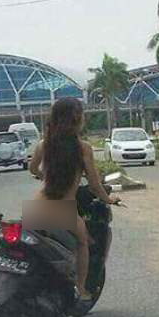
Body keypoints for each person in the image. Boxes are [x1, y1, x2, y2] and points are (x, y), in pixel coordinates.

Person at [30, 97, 119, 304]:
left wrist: (44, 175)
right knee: (83, 242)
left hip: (37, 207)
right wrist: (109, 199)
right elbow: (96, 186)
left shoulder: (44, 145)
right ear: (77, 119)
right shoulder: (83, 148)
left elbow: (33, 169)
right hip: (64, 210)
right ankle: (80, 288)